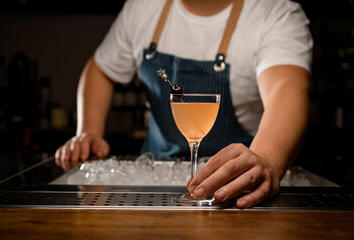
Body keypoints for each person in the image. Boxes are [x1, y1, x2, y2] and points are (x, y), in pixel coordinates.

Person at [55, 0, 313, 208]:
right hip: (150, 184)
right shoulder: (142, 7)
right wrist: (88, 131)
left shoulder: (276, 12)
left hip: (233, 192)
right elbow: (101, 68)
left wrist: (266, 160)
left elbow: (286, 89)